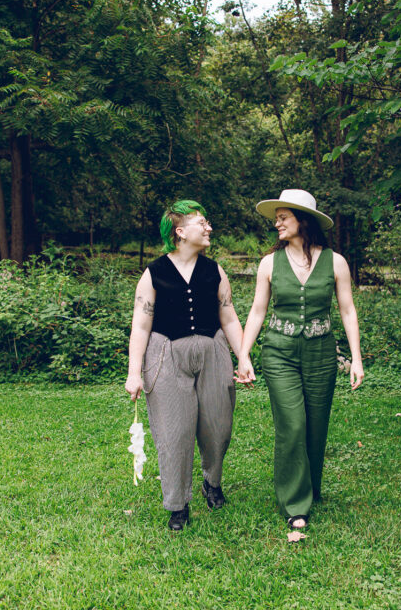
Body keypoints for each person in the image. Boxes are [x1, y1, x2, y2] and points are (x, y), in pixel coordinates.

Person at [237, 189, 364, 529]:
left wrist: (357, 358)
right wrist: (244, 354)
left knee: (315, 426)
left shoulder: (335, 261)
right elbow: (257, 311)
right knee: (292, 423)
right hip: (279, 352)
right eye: (276, 218)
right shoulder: (269, 263)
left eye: (283, 217)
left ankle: (309, 488)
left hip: (322, 353)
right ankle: (296, 505)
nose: (276, 223)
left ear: (302, 220)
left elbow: (348, 311)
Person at [125, 200, 247, 531]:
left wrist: (244, 356)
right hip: (166, 354)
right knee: (174, 433)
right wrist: (134, 373)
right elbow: (140, 325)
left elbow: (229, 315)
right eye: (202, 223)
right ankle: (178, 505)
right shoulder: (154, 273)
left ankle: (212, 481)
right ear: (180, 232)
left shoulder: (215, 270)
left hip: (213, 353)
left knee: (218, 429)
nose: (209, 228)